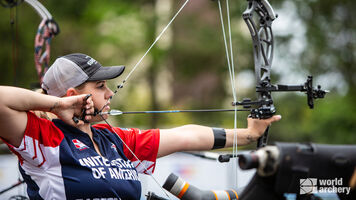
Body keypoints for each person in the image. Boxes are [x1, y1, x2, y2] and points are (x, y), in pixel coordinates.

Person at [0, 53, 281, 200]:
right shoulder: (44, 138)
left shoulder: (115, 140)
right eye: (100, 87)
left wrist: (248, 134)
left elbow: (185, 135)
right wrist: (54, 105)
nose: (110, 93)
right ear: (73, 96)